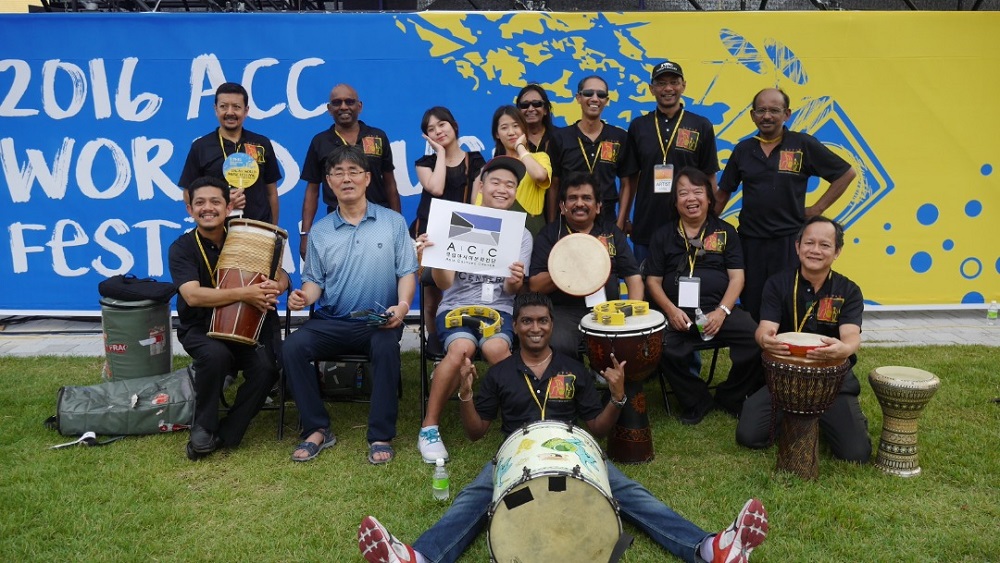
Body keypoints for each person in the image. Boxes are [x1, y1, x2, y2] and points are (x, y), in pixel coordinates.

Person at [358, 293, 769, 563]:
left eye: (542, 321)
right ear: (514, 326)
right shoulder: (500, 374)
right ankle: (418, 558)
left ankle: (710, 548)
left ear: (552, 325)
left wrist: (617, 397)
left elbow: (598, 427)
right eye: (526, 322)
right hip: (514, 455)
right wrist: (465, 394)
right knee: (469, 504)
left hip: (575, 453)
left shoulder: (573, 369)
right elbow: (477, 432)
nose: (535, 328)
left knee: (637, 498)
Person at [282, 145, 418, 464]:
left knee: (386, 349)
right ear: (328, 182)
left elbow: (407, 272)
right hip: (331, 321)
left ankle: (381, 434)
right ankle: (317, 429)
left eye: (354, 171)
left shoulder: (393, 222)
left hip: (376, 321)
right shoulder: (320, 231)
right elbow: (315, 283)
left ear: (367, 178)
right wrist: (304, 297)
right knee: (292, 348)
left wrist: (401, 306)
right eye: (338, 173)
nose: (347, 179)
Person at [413, 156, 532, 464]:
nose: (502, 189)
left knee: (496, 350)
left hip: (499, 309)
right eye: (495, 182)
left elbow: (510, 291)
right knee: (461, 348)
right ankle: (429, 427)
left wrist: (516, 281)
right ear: (480, 186)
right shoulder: (455, 221)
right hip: (456, 307)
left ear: (516, 192)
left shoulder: (522, 233)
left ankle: (522, 425)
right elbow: (443, 282)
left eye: (510, 184)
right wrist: (436, 259)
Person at [168, 176, 288, 460]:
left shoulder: (244, 238)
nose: (207, 208)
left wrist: (277, 285)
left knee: (265, 369)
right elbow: (193, 296)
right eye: (199, 203)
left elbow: (281, 274)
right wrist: (246, 293)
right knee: (215, 355)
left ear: (227, 206)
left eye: (215, 202)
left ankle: (227, 433)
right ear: (189, 209)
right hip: (199, 328)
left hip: (244, 327)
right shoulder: (182, 248)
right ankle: (203, 427)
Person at [735, 216, 871, 463]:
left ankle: (832, 416)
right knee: (749, 436)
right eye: (809, 243)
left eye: (825, 245)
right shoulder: (778, 284)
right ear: (797, 247)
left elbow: (851, 337)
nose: (815, 250)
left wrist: (843, 349)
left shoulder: (849, 290)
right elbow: (765, 328)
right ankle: (799, 414)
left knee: (856, 455)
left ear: (837, 251)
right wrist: (765, 339)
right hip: (785, 380)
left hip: (831, 381)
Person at [716, 87, 857, 321]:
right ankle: (753, 355)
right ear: (752, 115)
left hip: (789, 243)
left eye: (774, 110)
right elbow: (723, 193)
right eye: (761, 110)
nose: (767, 116)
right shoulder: (744, 149)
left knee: (789, 303)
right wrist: (704, 227)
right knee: (753, 304)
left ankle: (786, 354)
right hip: (751, 243)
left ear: (787, 114)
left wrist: (817, 209)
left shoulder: (802, 144)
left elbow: (846, 174)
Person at [645, 167, 765, 425]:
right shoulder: (663, 235)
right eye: (683, 193)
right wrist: (670, 310)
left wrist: (723, 311)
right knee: (659, 345)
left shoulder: (725, 232)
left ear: (709, 199)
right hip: (676, 311)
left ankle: (730, 395)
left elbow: (737, 277)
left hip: (716, 309)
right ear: (675, 202)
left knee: (755, 338)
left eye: (698, 192)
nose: (691, 198)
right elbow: (652, 281)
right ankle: (696, 399)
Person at [528, 172, 642, 359]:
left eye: (586, 198)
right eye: (572, 198)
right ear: (562, 207)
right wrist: (570, 269)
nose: (579, 203)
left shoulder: (611, 233)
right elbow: (535, 285)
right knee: (558, 343)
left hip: (608, 309)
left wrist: (634, 315)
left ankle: (623, 387)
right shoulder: (550, 234)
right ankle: (577, 382)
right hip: (565, 312)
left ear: (598, 207)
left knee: (628, 342)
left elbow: (633, 276)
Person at [621, 60, 720, 266]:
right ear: (651, 89)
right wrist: (626, 220)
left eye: (674, 82)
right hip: (647, 224)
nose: (668, 88)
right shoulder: (639, 126)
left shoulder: (701, 125)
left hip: (691, 225)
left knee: (687, 286)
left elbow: (709, 176)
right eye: (661, 83)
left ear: (683, 85)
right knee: (647, 288)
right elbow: (631, 179)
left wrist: (711, 219)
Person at [411, 107, 487, 353]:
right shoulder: (425, 163)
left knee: (455, 295)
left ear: (454, 126)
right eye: (430, 129)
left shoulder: (475, 161)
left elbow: (477, 202)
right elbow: (436, 188)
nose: (437, 131)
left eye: (441, 125)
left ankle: (458, 343)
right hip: (427, 234)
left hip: (461, 234)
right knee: (431, 297)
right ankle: (434, 343)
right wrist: (440, 153)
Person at [298, 83, 399, 258]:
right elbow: (312, 191)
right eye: (337, 103)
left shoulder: (377, 137)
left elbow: (390, 184)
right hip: (338, 224)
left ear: (359, 106)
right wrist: (305, 234)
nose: (343, 107)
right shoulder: (320, 142)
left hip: (378, 222)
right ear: (329, 109)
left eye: (349, 102)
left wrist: (398, 225)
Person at [179, 82, 280, 224]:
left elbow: (271, 193)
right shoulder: (201, 147)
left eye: (237, 107)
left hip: (257, 230)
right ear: (216, 109)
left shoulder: (261, 144)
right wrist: (220, 201)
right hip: (216, 233)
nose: (230, 112)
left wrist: (272, 231)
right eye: (223, 106)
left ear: (246, 111)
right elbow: (187, 193)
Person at [551, 75, 632, 226]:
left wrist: (620, 224)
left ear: (606, 101)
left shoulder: (620, 137)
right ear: (578, 97)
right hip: (570, 219)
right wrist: (552, 223)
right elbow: (554, 185)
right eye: (589, 93)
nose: (595, 99)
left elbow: (627, 183)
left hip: (607, 220)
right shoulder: (560, 138)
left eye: (601, 95)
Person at [473, 105, 551, 235]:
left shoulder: (540, 158)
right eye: (504, 128)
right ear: (497, 134)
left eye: (516, 126)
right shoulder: (491, 167)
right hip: (495, 233)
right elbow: (479, 209)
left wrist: (520, 147)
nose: (511, 132)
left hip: (529, 232)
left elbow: (539, 176)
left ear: (524, 129)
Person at [515, 84, 562, 223]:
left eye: (537, 104)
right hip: (521, 215)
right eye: (525, 105)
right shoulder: (513, 141)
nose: (531, 109)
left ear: (546, 109)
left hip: (559, 214)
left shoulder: (561, 138)